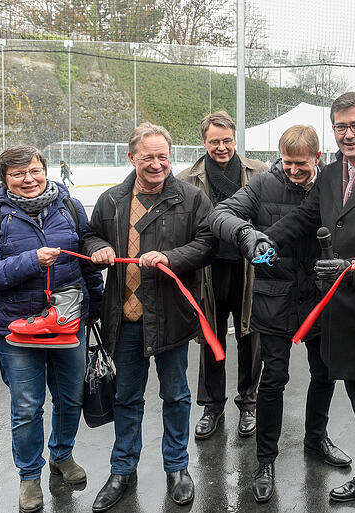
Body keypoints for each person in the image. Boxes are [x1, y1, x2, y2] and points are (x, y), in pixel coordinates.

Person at [255, 92, 355, 513]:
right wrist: (263, 239)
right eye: (341, 127)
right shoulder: (329, 175)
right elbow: (304, 219)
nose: (348, 134)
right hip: (340, 312)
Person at [209, 125, 352, 503]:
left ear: (317, 158)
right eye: (287, 163)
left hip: (320, 299)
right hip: (273, 298)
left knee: (324, 373)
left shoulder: (336, 187)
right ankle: (265, 459)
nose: (293, 171)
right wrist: (246, 236)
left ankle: (316, 438)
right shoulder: (263, 185)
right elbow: (220, 214)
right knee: (272, 380)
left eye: (301, 164)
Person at [83, 123, 216, 511]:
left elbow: (207, 244)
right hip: (123, 320)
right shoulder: (111, 201)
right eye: (148, 157)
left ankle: (177, 467)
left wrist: (170, 258)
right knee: (127, 398)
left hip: (172, 317)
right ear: (132, 158)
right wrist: (100, 247)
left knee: (175, 395)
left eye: (162, 156)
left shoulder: (192, 199)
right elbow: (89, 236)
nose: (156, 164)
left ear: (169, 156)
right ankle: (122, 469)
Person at [0, 145, 103, 513]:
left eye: (34, 171)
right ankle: (29, 476)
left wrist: (93, 309)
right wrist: (30, 260)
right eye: (18, 174)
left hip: (68, 323)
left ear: (45, 170)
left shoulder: (71, 207)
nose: (29, 179)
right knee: (26, 407)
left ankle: (61, 455)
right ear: (4, 179)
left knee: (70, 399)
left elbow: (88, 264)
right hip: (16, 330)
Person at [177, 111, 266, 440]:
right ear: (203, 142)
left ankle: (248, 402)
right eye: (214, 141)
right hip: (208, 271)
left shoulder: (258, 173)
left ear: (235, 139)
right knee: (211, 338)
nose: (221, 147)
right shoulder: (188, 178)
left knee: (249, 336)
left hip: (247, 269)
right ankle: (212, 405)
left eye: (227, 140)